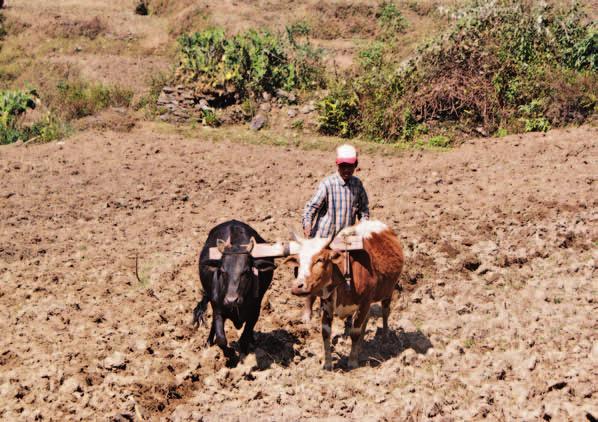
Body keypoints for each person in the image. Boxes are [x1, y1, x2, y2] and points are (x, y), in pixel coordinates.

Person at [299, 144, 370, 322]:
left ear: (355, 166)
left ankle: (344, 307)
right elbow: (311, 207)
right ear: (337, 165)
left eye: (350, 166)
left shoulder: (357, 185)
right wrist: (307, 225)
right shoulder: (328, 184)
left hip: (344, 238)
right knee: (315, 274)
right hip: (323, 239)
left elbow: (364, 209)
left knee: (348, 275)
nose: (346, 170)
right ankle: (308, 308)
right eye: (343, 166)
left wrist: (364, 226)